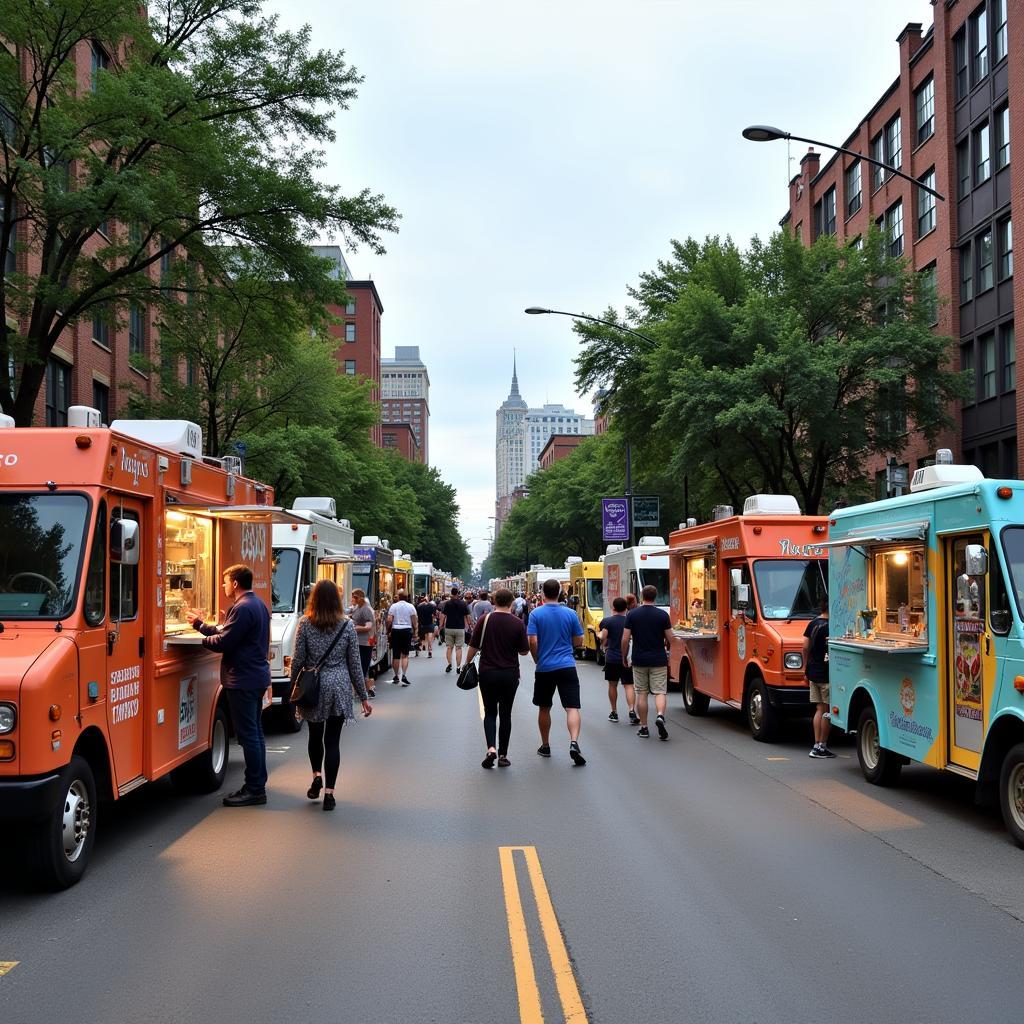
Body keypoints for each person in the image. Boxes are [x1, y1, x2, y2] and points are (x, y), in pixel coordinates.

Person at [186, 564, 272, 807]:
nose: (223, 586)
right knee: (256, 734)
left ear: (235, 583)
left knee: (249, 736)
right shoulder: (258, 605)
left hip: (242, 679)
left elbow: (224, 641)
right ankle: (257, 784)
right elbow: (232, 634)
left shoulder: (242, 608)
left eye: (225, 582)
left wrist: (202, 639)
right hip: (255, 677)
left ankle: (254, 789)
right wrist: (201, 625)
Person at [290, 580, 372, 811]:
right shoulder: (346, 626)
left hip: (313, 686)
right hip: (338, 686)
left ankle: (317, 775)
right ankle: (330, 794)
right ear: (337, 600)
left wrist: (292, 684)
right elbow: (355, 664)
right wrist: (364, 697)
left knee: (315, 736)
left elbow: (298, 659)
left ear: (313, 599)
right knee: (333, 741)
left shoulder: (305, 624)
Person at [467, 588, 529, 768]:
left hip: (488, 672)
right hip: (510, 674)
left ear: (494, 602)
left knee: (490, 712)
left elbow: (474, 646)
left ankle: (491, 748)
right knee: (506, 714)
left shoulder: (484, 620)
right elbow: (524, 651)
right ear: (511, 603)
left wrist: (466, 663)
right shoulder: (517, 623)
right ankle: (503, 754)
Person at [527, 578, 586, 766]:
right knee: (572, 707)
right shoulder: (570, 613)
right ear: (560, 592)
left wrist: (537, 659)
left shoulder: (536, 614)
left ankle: (545, 745)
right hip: (567, 665)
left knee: (544, 707)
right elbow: (579, 640)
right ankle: (574, 742)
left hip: (545, 667)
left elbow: (533, 641)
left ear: (543, 593)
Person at [622, 584, 673, 741]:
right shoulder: (663, 615)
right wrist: (667, 650)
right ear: (655, 596)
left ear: (642, 595)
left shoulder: (632, 614)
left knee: (642, 693)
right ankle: (659, 715)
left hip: (639, 659)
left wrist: (624, 656)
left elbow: (625, 638)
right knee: (659, 691)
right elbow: (670, 639)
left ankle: (644, 727)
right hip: (658, 659)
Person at [600, 596, 638, 725]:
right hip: (627, 658)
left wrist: (600, 637)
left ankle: (614, 712)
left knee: (612, 685)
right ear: (626, 608)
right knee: (628, 685)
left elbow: (603, 636)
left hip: (612, 658)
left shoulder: (608, 621)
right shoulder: (630, 621)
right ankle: (632, 711)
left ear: (613, 608)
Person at [805, 598, 834, 758]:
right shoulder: (831, 626)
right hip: (826, 674)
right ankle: (821, 746)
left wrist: (806, 668)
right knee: (826, 711)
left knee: (818, 709)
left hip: (813, 672)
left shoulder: (813, 623)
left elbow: (804, 646)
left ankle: (816, 744)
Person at [349, 588, 377, 698]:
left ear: (360, 598)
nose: (352, 599)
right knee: (360, 668)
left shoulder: (366, 609)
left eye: (354, 597)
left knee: (362, 668)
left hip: (364, 643)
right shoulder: (358, 607)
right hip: (359, 642)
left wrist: (353, 627)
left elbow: (368, 627)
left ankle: (365, 691)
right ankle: (366, 690)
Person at [387, 590, 418, 685]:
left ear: (399, 597)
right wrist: (415, 630)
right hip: (406, 630)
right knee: (405, 654)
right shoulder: (411, 606)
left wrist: (388, 629)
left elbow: (389, 619)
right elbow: (414, 620)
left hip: (396, 630)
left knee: (396, 655)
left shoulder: (393, 606)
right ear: (407, 597)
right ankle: (404, 675)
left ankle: (396, 676)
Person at [439, 587, 472, 674]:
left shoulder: (447, 603)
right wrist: (470, 625)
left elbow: (443, 615)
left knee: (449, 647)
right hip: (460, 628)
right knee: (458, 648)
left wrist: (441, 625)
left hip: (449, 627)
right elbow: (467, 616)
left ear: (451, 593)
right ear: (458, 593)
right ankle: (458, 667)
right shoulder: (463, 604)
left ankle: (449, 664)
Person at [415, 594, 437, 658]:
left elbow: (417, 616)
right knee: (430, 637)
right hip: (429, 624)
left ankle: (419, 649)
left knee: (420, 637)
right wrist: (432, 622)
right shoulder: (432, 606)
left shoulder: (419, 606)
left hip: (421, 624)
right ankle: (429, 650)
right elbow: (433, 616)